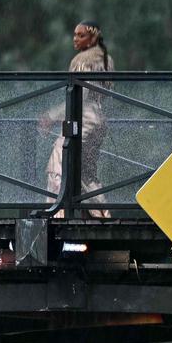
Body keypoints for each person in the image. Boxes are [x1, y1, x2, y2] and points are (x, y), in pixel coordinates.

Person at [41, 20, 114, 217]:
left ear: (93, 37)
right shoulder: (106, 59)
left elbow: (79, 95)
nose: (75, 39)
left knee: (59, 163)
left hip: (84, 118)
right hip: (99, 118)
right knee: (85, 172)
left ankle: (55, 215)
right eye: (75, 34)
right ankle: (103, 217)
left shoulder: (84, 60)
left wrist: (52, 115)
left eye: (81, 35)